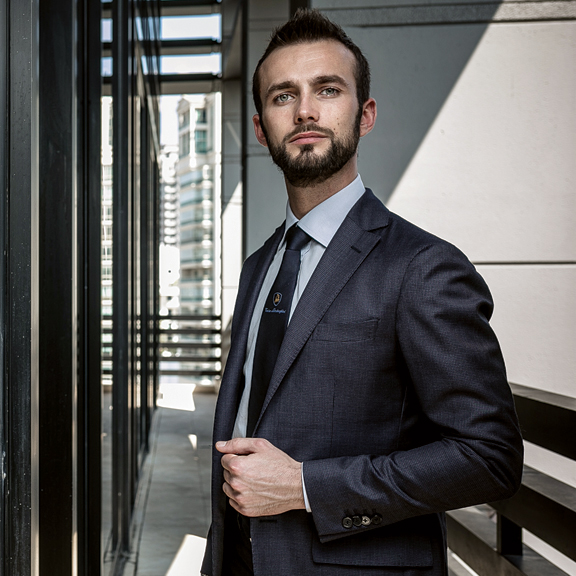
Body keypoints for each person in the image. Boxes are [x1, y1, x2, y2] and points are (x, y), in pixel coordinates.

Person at [201, 10, 523, 576]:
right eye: (283, 96)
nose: (305, 110)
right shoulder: (259, 267)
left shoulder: (423, 267)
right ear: (260, 128)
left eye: (327, 89)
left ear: (365, 114)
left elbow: (489, 456)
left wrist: (306, 486)